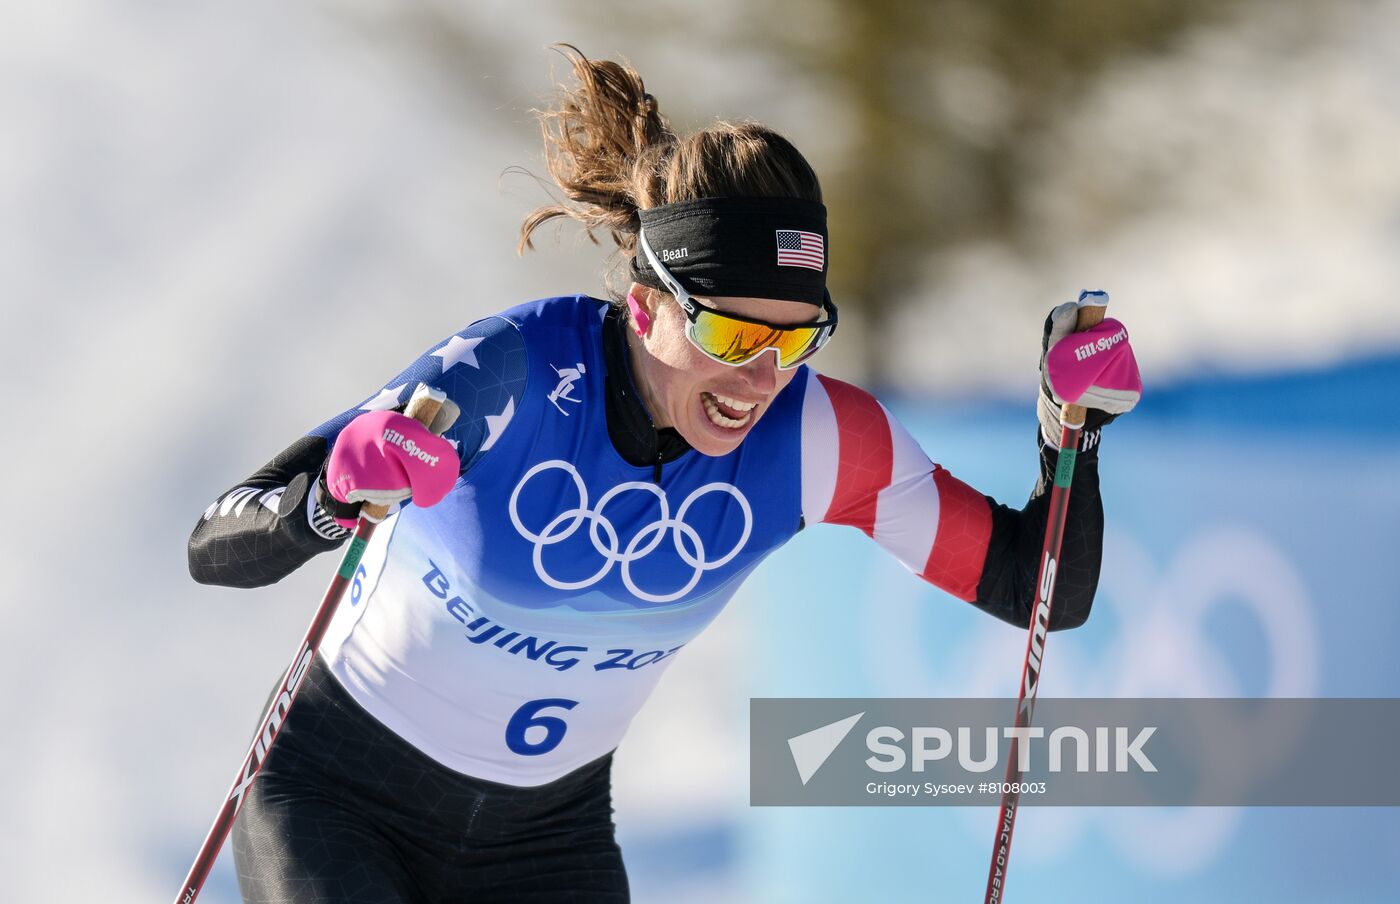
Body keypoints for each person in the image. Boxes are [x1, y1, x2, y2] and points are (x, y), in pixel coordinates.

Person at [188, 45, 1140, 904]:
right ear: (646, 308)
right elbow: (217, 545)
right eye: (729, 332)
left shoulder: (824, 440)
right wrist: (328, 499)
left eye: (794, 337)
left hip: (544, 845)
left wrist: (1071, 434)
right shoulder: (508, 375)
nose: (758, 377)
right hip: (337, 801)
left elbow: (1037, 588)